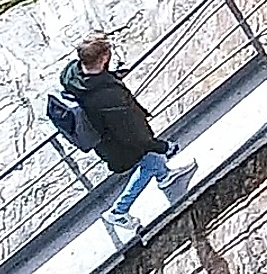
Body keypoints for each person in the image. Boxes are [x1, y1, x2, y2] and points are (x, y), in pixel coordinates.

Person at [56, 36, 179, 223]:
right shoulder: (108, 96)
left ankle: (165, 176)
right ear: (104, 58)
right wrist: (162, 146)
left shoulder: (72, 74)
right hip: (119, 144)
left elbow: (94, 90)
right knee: (148, 162)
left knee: (151, 161)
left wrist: (110, 78)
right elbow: (134, 132)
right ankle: (118, 211)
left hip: (103, 139)